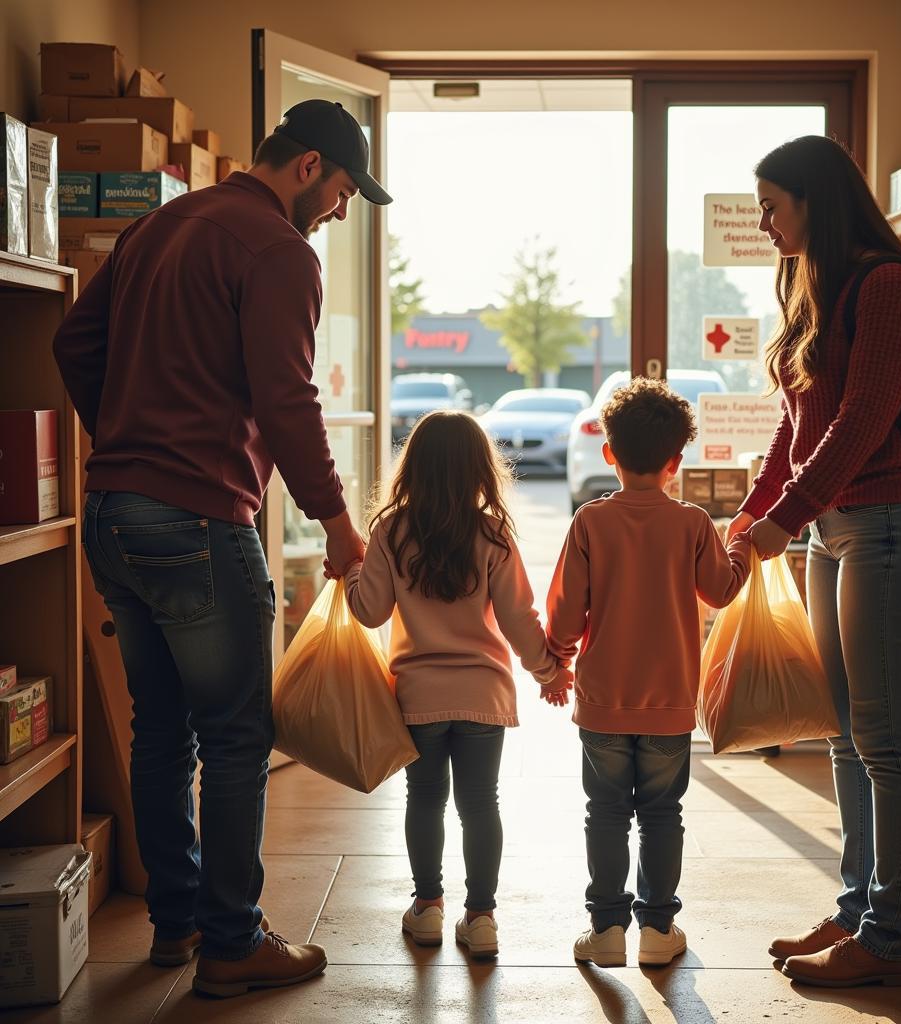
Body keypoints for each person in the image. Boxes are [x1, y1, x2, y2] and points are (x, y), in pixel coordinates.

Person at [53, 99, 391, 999]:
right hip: (199, 522)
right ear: (311, 166)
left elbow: (73, 339)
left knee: (159, 729)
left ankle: (176, 924)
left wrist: (125, 440)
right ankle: (233, 943)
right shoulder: (281, 252)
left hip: (114, 514)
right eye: (346, 191)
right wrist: (338, 521)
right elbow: (288, 401)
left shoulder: (161, 223)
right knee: (237, 734)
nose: (342, 212)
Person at [729, 135, 901, 988]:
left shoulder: (889, 287)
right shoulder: (806, 284)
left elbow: (860, 421)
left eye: (772, 205)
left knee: (890, 739)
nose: (763, 222)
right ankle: (860, 907)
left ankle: (891, 939)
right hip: (837, 530)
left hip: (896, 523)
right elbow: (796, 423)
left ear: (815, 201)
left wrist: (783, 518)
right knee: (847, 734)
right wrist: (755, 510)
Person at [340, 411, 572, 959]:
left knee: (424, 799)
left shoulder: (389, 530)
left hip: (417, 696)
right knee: (480, 803)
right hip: (483, 696)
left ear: (413, 465)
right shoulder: (492, 533)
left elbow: (368, 611)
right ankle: (482, 917)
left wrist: (352, 570)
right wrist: (549, 672)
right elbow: (519, 618)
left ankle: (427, 909)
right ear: (478, 468)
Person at [545, 377, 751, 968]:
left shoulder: (590, 522)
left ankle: (606, 928)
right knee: (663, 812)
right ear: (675, 462)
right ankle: (659, 930)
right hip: (669, 702)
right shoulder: (690, 524)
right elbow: (721, 589)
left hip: (604, 699)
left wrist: (557, 658)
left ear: (608, 453)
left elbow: (565, 612)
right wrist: (736, 547)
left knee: (605, 811)